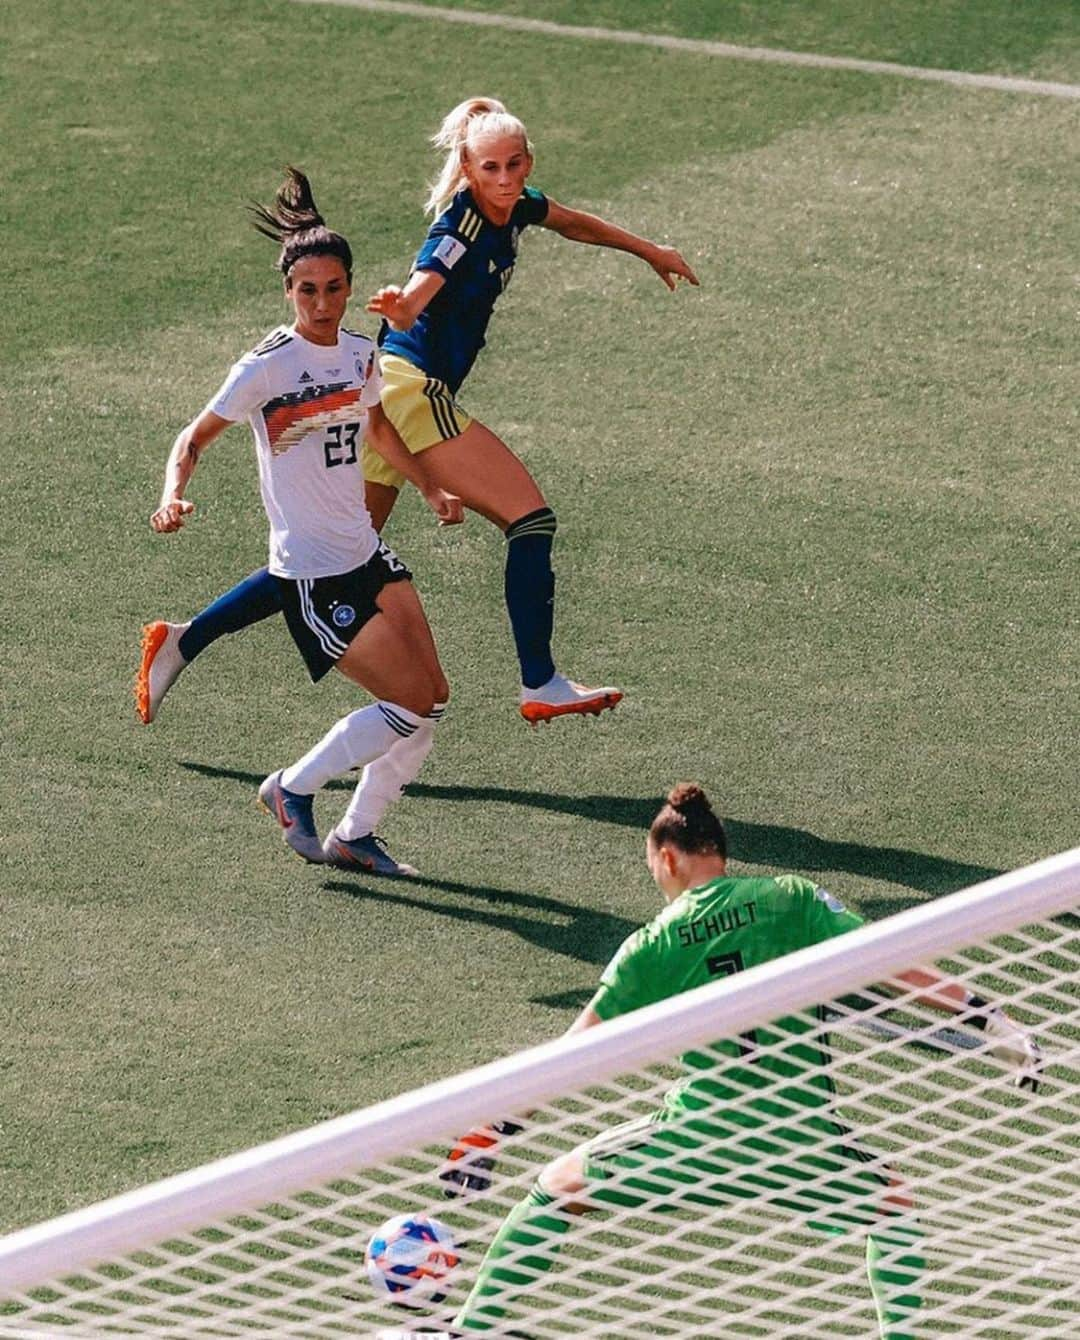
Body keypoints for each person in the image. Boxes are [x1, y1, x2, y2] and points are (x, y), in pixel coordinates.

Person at [135, 95, 700, 727]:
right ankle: (539, 680)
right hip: (407, 386)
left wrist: (649, 249)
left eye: (516, 165)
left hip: (386, 393)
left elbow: (571, 221)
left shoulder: (517, 206)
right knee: (531, 521)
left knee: (340, 553)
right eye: (491, 169)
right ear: (467, 164)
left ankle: (184, 640)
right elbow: (423, 287)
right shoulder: (459, 226)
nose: (507, 180)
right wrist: (402, 307)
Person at [432, 784, 1041, 1338]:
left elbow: (572, 1055)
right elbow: (890, 961)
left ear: (667, 857)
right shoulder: (790, 899)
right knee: (893, 1211)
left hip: (700, 1137)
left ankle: (466, 1330)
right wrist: (987, 1016)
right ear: (718, 851)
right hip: (802, 1137)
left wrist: (495, 1128)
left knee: (554, 1192)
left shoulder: (652, 944)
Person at [148, 167, 464, 876]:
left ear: (350, 286)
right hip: (314, 575)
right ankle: (291, 789)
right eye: (306, 291)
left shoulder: (360, 352)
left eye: (333, 288)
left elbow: (380, 432)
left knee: (433, 698)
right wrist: (173, 494)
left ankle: (357, 835)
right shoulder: (267, 366)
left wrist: (434, 490)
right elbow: (193, 437)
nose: (321, 302)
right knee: (408, 701)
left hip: (367, 554)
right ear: (288, 293)